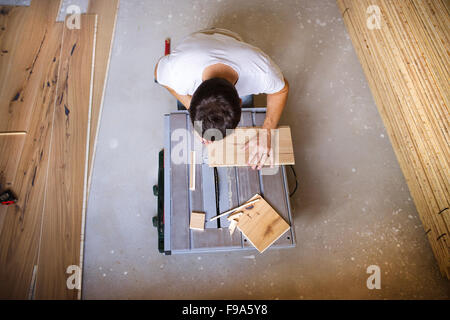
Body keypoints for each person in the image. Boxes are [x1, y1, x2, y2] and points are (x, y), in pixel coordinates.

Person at [154, 28, 289, 170]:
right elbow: (159, 75)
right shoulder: (177, 71)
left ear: (240, 101)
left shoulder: (262, 71)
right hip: (197, 40)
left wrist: (267, 132)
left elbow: (282, 89)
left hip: (230, 36)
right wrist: (190, 106)